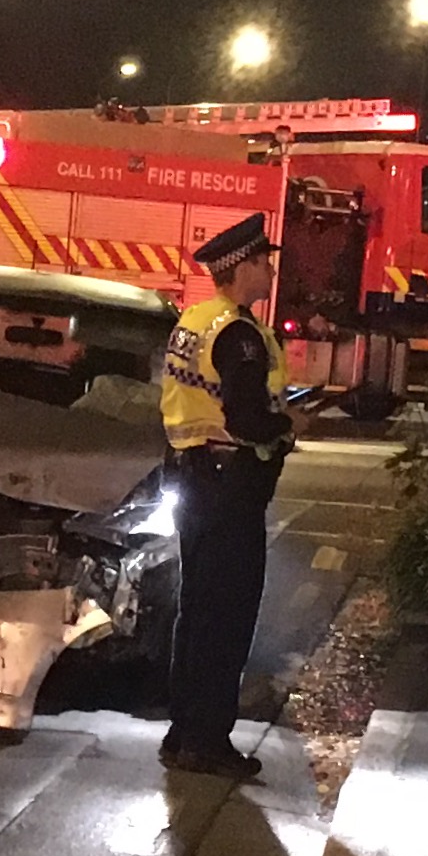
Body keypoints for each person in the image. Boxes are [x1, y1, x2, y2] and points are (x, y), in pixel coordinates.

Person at [159, 211, 296, 780]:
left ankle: (183, 732)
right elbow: (246, 420)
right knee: (226, 616)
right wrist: (287, 427)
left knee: (196, 611)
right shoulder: (238, 334)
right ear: (241, 268)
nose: (270, 271)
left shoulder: (197, 318)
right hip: (227, 486)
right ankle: (208, 741)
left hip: (194, 479)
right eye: (264, 262)